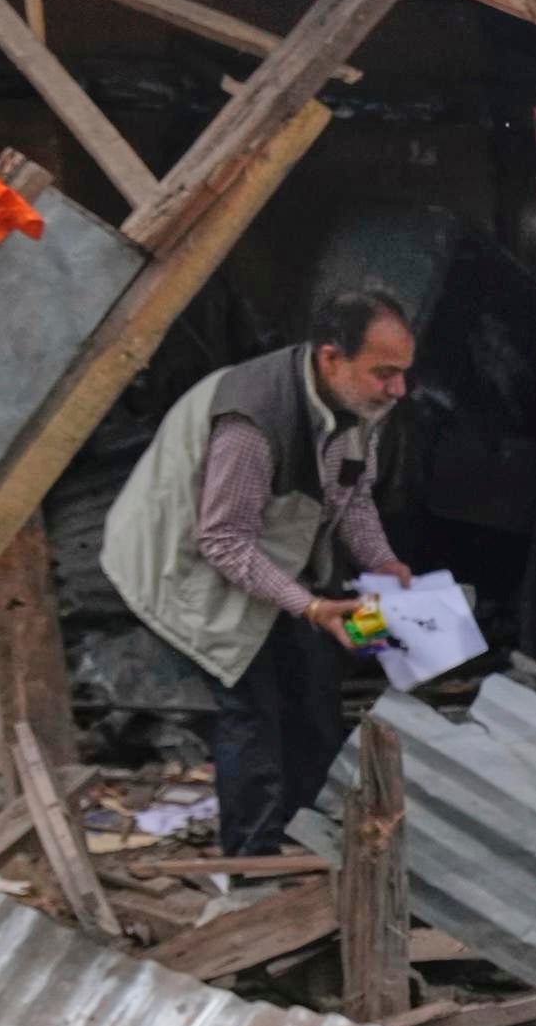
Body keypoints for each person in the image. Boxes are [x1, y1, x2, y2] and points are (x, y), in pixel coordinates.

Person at [100, 290, 418, 857]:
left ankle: (315, 839)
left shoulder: (363, 404)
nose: (399, 389)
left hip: (274, 549)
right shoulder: (252, 420)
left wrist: (382, 561)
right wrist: (311, 607)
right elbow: (222, 541)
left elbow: (353, 494)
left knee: (315, 695)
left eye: (403, 373)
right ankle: (252, 864)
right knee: (252, 708)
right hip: (193, 559)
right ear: (331, 359)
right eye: (385, 373)